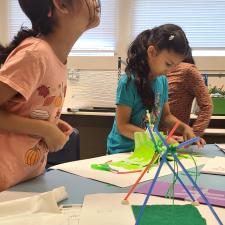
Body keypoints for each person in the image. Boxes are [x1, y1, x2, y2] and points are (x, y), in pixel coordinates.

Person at [0, 0, 100, 191]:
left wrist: (50, 122)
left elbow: (23, 108)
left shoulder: (54, 55)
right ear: (61, 4)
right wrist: (44, 129)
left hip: (27, 178)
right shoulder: (35, 54)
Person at [107, 24, 200, 154]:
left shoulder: (162, 81)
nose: (171, 70)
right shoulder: (128, 82)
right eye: (168, 64)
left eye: (175, 66)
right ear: (152, 52)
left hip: (148, 150)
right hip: (123, 151)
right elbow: (122, 126)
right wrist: (159, 139)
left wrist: (184, 128)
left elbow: (165, 116)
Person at [165, 51, 213, 142]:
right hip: (151, 138)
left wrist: (193, 134)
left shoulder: (187, 70)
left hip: (174, 142)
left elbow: (207, 105)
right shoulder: (154, 71)